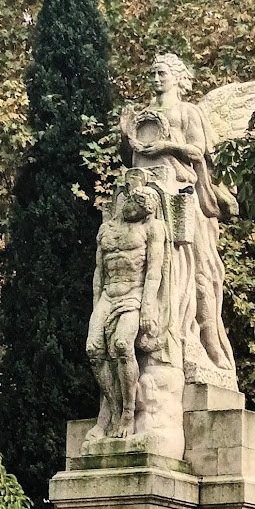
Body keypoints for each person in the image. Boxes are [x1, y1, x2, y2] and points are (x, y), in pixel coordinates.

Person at [120, 53, 236, 373]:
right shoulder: (144, 114)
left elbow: (198, 152)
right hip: (147, 197)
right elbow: (131, 154)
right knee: (143, 271)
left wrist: (167, 146)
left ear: (177, 78)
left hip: (183, 198)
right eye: (152, 73)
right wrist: (124, 134)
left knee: (200, 275)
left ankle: (208, 343)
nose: (156, 79)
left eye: (161, 73)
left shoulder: (188, 111)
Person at [86, 185, 165, 439]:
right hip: (108, 295)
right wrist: (97, 304)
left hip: (133, 294)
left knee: (121, 345)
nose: (144, 213)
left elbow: (154, 270)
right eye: (140, 207)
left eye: (148, 211)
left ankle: (129, 413)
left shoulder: (152, 228)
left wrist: (148, 306)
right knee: (93, 350)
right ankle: (113, 407)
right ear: (129, 202)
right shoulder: (106, 230)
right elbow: (99, 272)